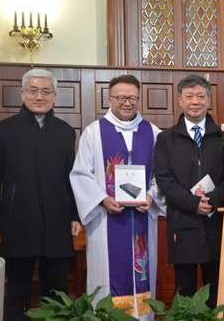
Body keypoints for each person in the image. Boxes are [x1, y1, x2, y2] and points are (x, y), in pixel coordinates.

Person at [0, 69, 82, 321]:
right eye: (34, 90)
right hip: (17, 221)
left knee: (58, 293)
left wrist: (75, 215)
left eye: (46, 91)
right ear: (23, 93)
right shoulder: (3, 130)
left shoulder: (65, 131)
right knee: (18, 293)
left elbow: (73, 177)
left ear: (55, 96)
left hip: (57, 222)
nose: (40, 96)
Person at [69, 75, 164, 321]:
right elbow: (80, 174)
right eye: (121, 97)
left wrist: (152, 197)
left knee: (143, 280)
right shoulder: (94, 133)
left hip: (142, 222)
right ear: (109, 99)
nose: (127, 102)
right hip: (106, 222)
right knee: (106, 280)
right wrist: (102, 199)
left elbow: (163, 175)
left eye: (132, 97)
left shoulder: (152, 132)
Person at [153, 74, 224, 308]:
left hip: (216, 219)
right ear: (179, 100)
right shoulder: (166, 139)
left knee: (215, 286)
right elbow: (163, 178)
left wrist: (213, 200)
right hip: (183, 219)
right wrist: (193, 203)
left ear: (209, 100)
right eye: (189, 96)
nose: (195, 101)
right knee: (184, 289)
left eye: (201, 96)